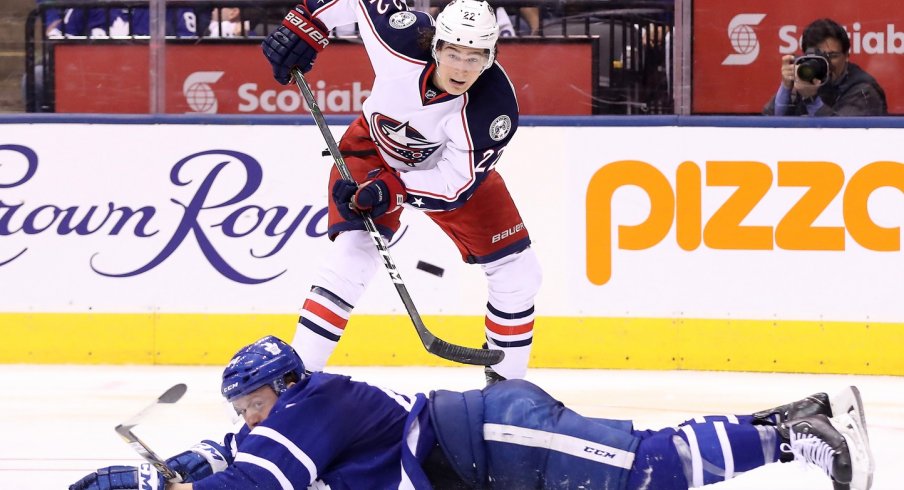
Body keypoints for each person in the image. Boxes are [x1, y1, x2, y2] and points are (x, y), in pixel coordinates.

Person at [70, 335, 874, 490]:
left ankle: (794, 441)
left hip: (487, 437)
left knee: (645, 468)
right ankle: (794, 414)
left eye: (249, 402)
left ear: (279, 388)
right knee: (639, 470)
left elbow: (260, 480)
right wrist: (174, 467)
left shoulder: (310, 407)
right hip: (480, 460)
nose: (243, 417)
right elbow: (233, 455)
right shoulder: (291, 415)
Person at [261, 0, 542, 383]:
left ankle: (509, 394)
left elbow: (453, 186)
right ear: (436, 44)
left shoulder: (493, 110)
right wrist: (308, 23)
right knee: (352, 254)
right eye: (453, 52)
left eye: (475, 57)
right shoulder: (400, 40)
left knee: (519, 273)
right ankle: (293, 385)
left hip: (446, 174)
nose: (461, 67)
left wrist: (393, 189)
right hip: (373, 149)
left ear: (491, 57)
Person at [763, 18, 887, 116]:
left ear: (847, 56)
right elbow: (769, 125)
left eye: (832, 56)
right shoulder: (803, 79)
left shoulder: (864, 90)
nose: (827, 63)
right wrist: (786, 88)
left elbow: (844, 137)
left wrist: (811, 99)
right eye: (819, 57)